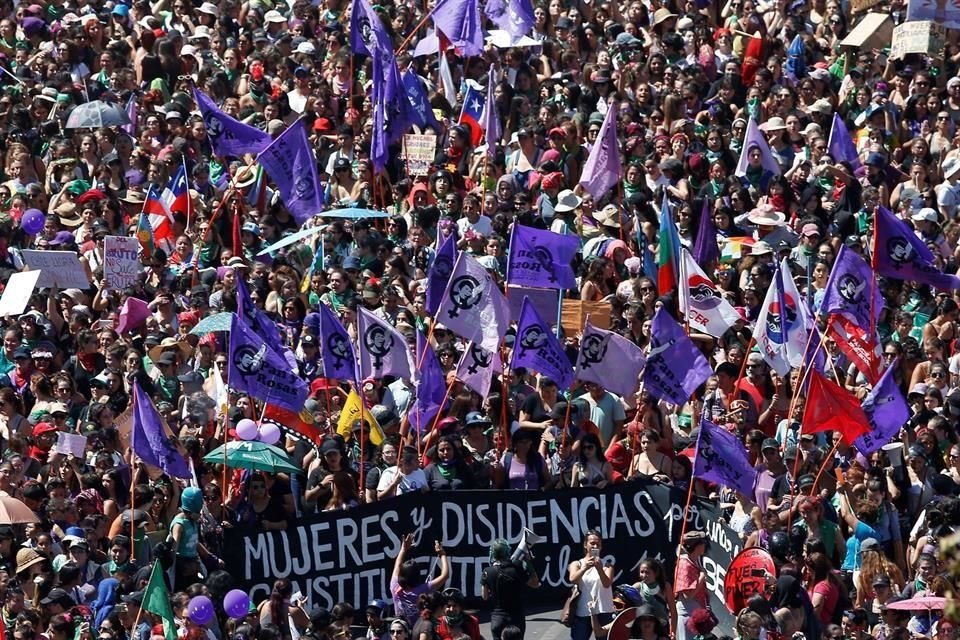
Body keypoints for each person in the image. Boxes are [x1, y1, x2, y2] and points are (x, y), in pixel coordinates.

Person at [481, 538, 540, 640]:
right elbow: (535, 584)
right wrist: (529, 563)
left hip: (497, 618)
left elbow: (485, 596)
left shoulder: (487, 571)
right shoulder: (517, 568)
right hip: (516, 617)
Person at [390, 534, 450, 626]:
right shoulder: (422, 590)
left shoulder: (394, 586)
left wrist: (403, 549)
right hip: (418, 632)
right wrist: (442, 554)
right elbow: (445, 575)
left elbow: (397, 565)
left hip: (400, 630)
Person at [568, 530, 615, 640]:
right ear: (585, 545)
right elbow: (573, 579)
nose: (595, 546)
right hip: (583, 612)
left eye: (598, 544)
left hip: (604, 611)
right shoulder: (577, 564)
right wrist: (585, 568)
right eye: (592, 543)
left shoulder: (608, 566)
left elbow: (607, 584)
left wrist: (600, 569)